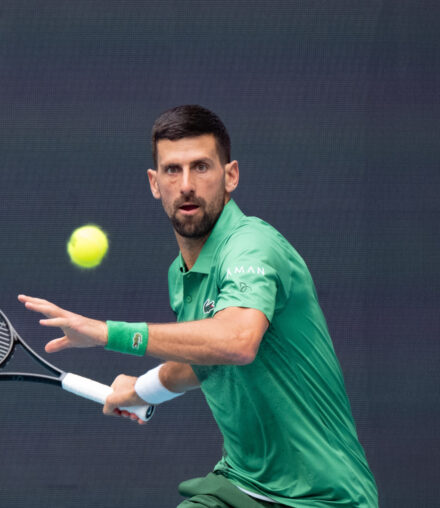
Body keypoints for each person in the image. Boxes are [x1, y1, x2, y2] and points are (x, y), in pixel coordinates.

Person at [19, 105, 378, 507]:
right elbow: (204, 359)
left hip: (324, 497)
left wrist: (108, 333)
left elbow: (237, 342)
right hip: (241, 485)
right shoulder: (181, 273)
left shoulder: (252, 246)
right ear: (155, 183)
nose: (186, 184)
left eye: (201, 167)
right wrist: (143, 390)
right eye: (173, 170)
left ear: (231, 176)